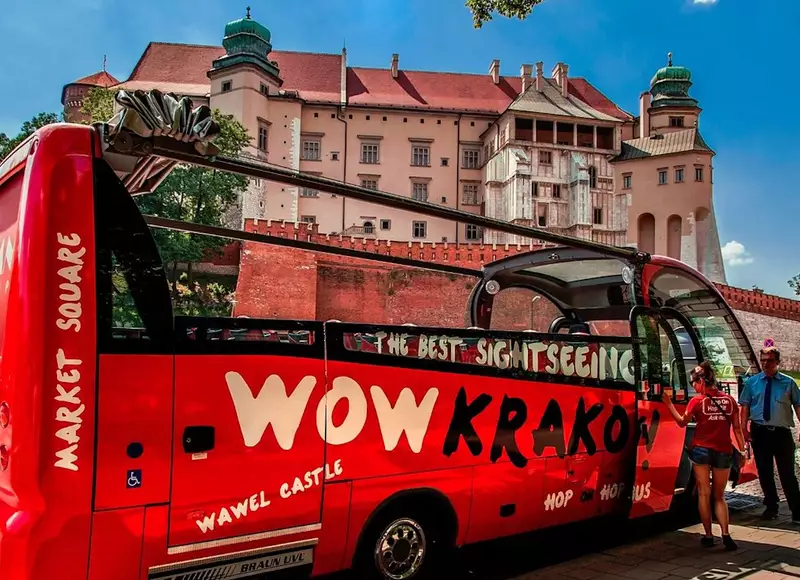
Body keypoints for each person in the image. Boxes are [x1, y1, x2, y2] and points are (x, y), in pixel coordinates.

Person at [663, 361, 746, 550]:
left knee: (703, 493)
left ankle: (708, 535)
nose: (693, 386)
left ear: (701, 381)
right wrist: (741, 452)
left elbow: (682, 423)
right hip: (723, 451)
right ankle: (726, 535)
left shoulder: (697, 401)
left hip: (701, 450)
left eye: (693, 382)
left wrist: (669, 404)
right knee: (719, 496)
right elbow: (738, 429)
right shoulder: (729, 401)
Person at [739, 346, 800, 522]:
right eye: (763, 360)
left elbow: (798, 406)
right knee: (765, 472)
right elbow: (745, 406)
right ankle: (771, 507)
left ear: (777, 362)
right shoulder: (752, 383)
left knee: (787, 473)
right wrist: (744, 429)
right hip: (760, 432)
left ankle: (796, 510)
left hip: (781, 433)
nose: (766, 364)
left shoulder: (788, 383)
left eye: (770, 361)